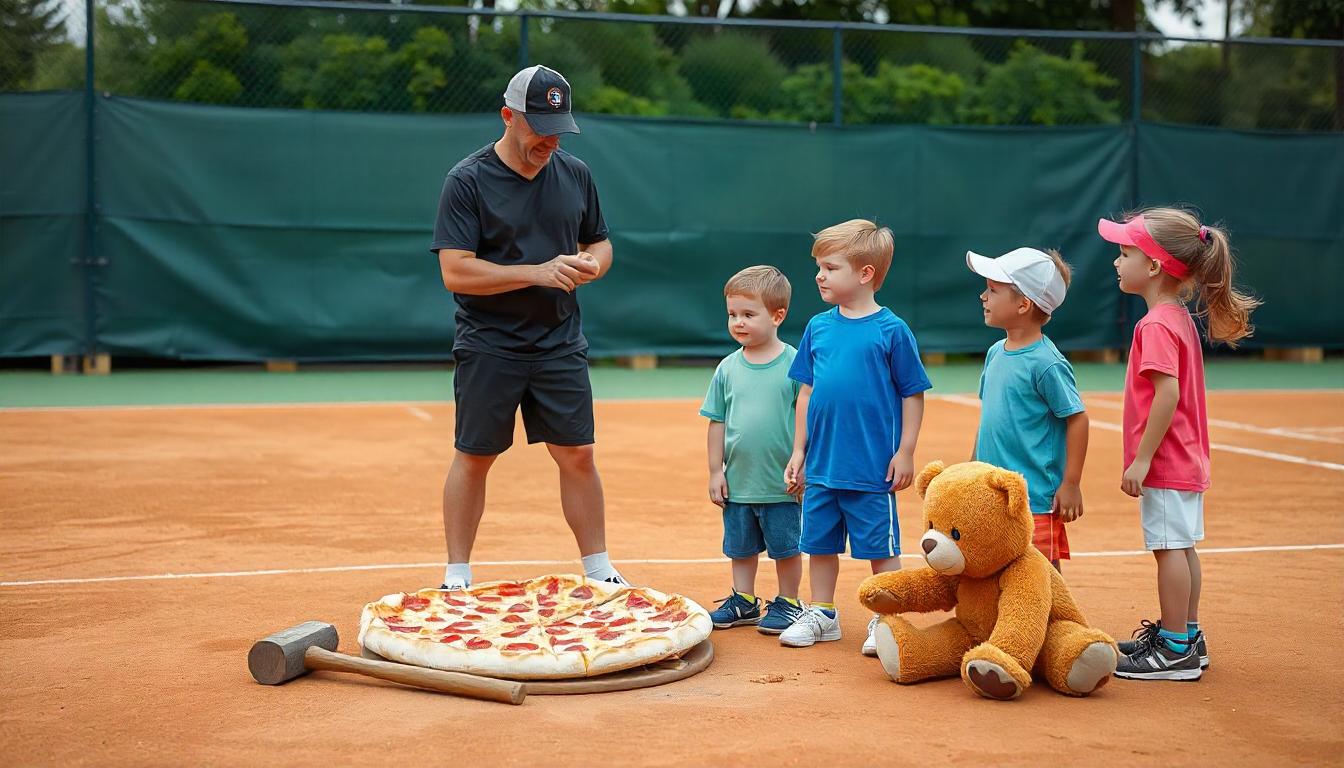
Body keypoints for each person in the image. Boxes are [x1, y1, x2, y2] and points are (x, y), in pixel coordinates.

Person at [429, 65, 625, 589]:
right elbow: (455, 269)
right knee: (475, 456)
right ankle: (457, 574)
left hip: (559, 341)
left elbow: (599, 241)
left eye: (559, 126)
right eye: (540, 126)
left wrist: (594, 265)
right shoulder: (466, 181)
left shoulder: (576, 173)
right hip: (490, 343)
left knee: (578, 454)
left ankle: (599, 571)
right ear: (508, 116)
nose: (550, 139)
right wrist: (534, 273)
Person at [1099, 207, 1260, 681]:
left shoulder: (1154, 325)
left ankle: (1173, 651)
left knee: (1168, 549)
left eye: (1124, 252)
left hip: (1167, 462)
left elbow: (1166, 394)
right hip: (1186, 460)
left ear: (1152, 266)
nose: (1116, 261)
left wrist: (1142, 459)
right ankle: (1187, 636)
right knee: (1183, 547)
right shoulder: (1177, 318)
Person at [780, 219, 932, 655]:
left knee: (880, 551)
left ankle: (887, 620)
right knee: (819, 544)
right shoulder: (818, 327)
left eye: (830, 267)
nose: (819, 275)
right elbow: (805, 393)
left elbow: (912, 394)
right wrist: (799, 451)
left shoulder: (892, 330)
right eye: (819, 267)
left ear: (865, 274)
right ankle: (822, 614)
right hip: (822, 465)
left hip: (871, 467)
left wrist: (905, 452)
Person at [965, 247, 1089, 572]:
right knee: (995, 566)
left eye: (993, 290)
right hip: (993, 491)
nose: (983, 296)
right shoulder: (995, 353)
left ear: (1023, 304)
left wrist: (1071, 483)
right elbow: (988, 417)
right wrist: (973, 468)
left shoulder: (1047, 363)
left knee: (1040, 572)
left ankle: (1053, 621)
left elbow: (1077, 419)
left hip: (1034, 497)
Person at [701, 266, 805, 635]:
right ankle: (743, 601)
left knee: (786, 547)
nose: (738, 322)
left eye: (748, 314)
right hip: (739, 482)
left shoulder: (796, 363)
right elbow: (716, 421)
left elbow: (808, 419)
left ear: (777, 315)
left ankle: (789, 602)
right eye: (732, 314)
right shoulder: (727, 368)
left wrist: (803, 461)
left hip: (782, 482)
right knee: (740, 548)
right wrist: (716, 471)